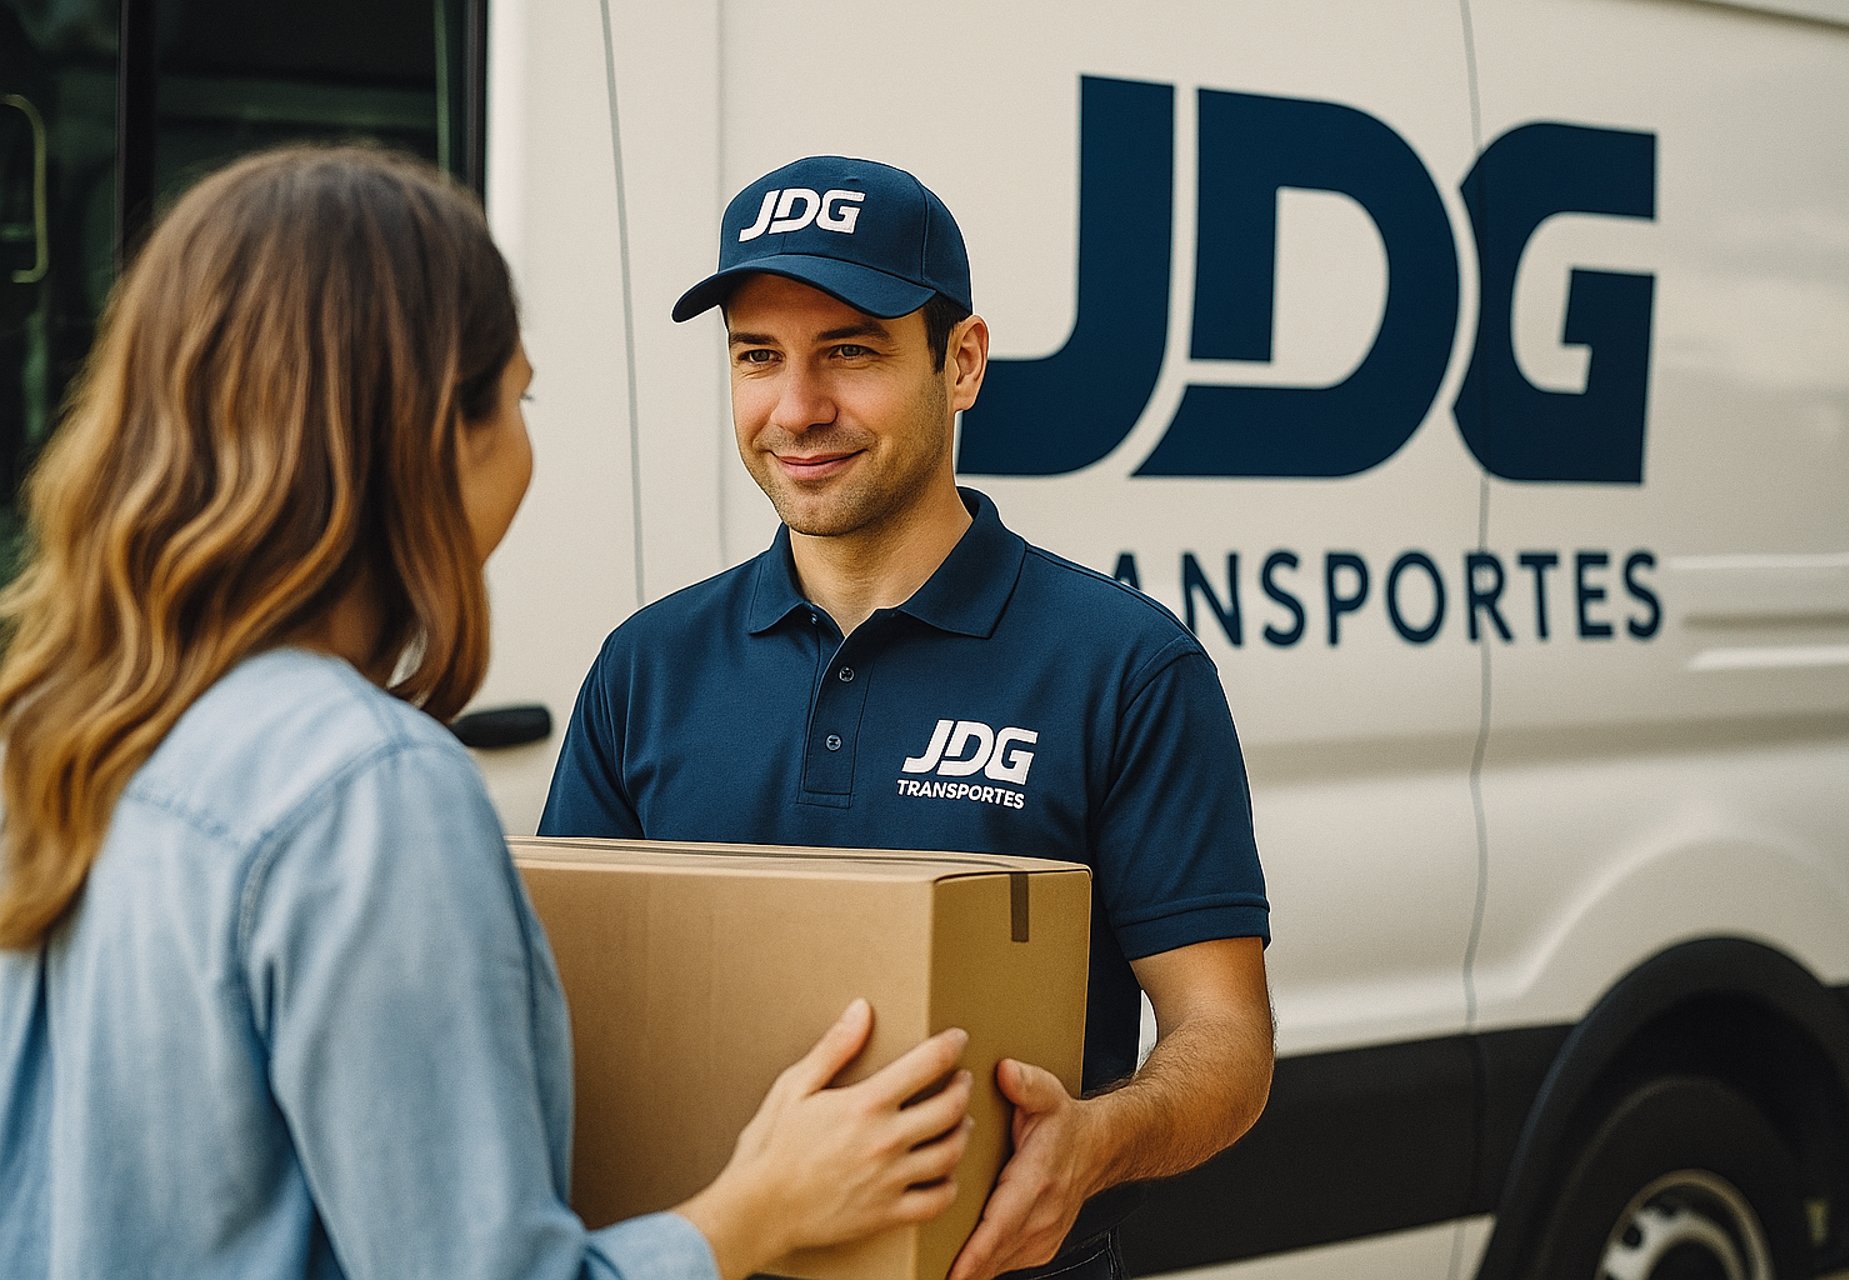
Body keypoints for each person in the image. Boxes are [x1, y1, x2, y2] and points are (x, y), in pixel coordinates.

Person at [0, 145, 976, 1280]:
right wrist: (760, 1205)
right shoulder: (368, 790)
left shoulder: (60, 732)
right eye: (515, 398)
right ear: (423, 436)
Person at [540, 155, 1275, 1280]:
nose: (797, 408)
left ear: (962, 361)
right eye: (756, 357)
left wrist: (1094, 1142)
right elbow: (566, 1020)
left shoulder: (1125, 665)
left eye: (849, 350)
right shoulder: (646, 666)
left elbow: (1225, 1041)